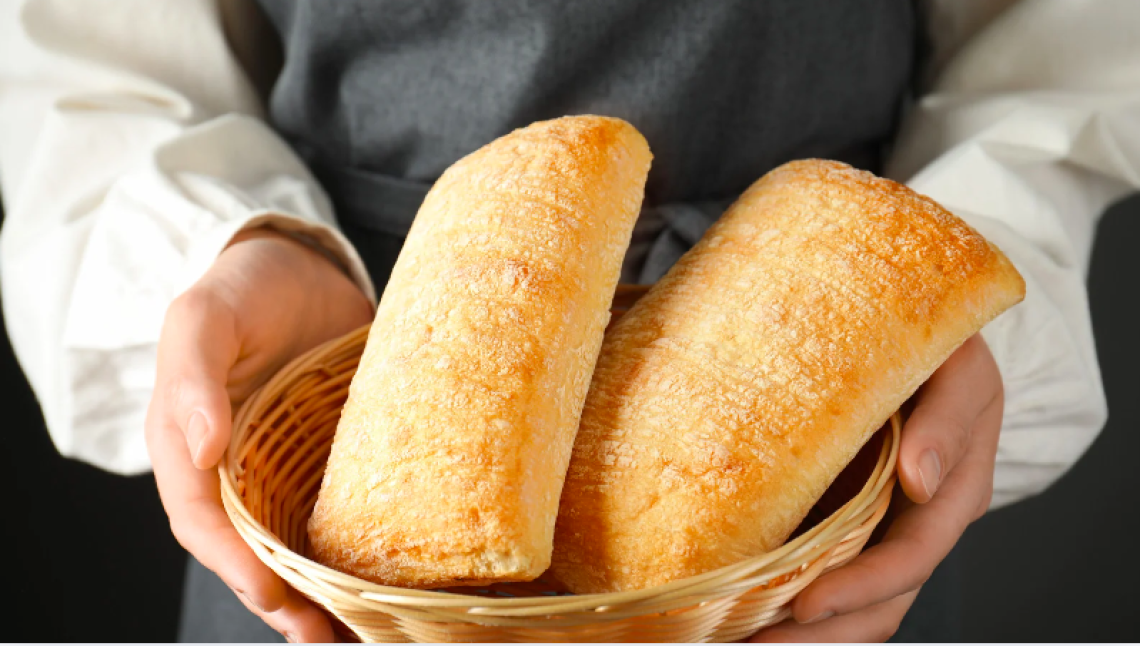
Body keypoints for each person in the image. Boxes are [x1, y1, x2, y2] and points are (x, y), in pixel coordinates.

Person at [1, 0, 1137, 642]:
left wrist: (911, 307)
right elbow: (94, 65)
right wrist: (235, 246)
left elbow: (1055, 46)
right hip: (345, 426)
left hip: (817, 473)